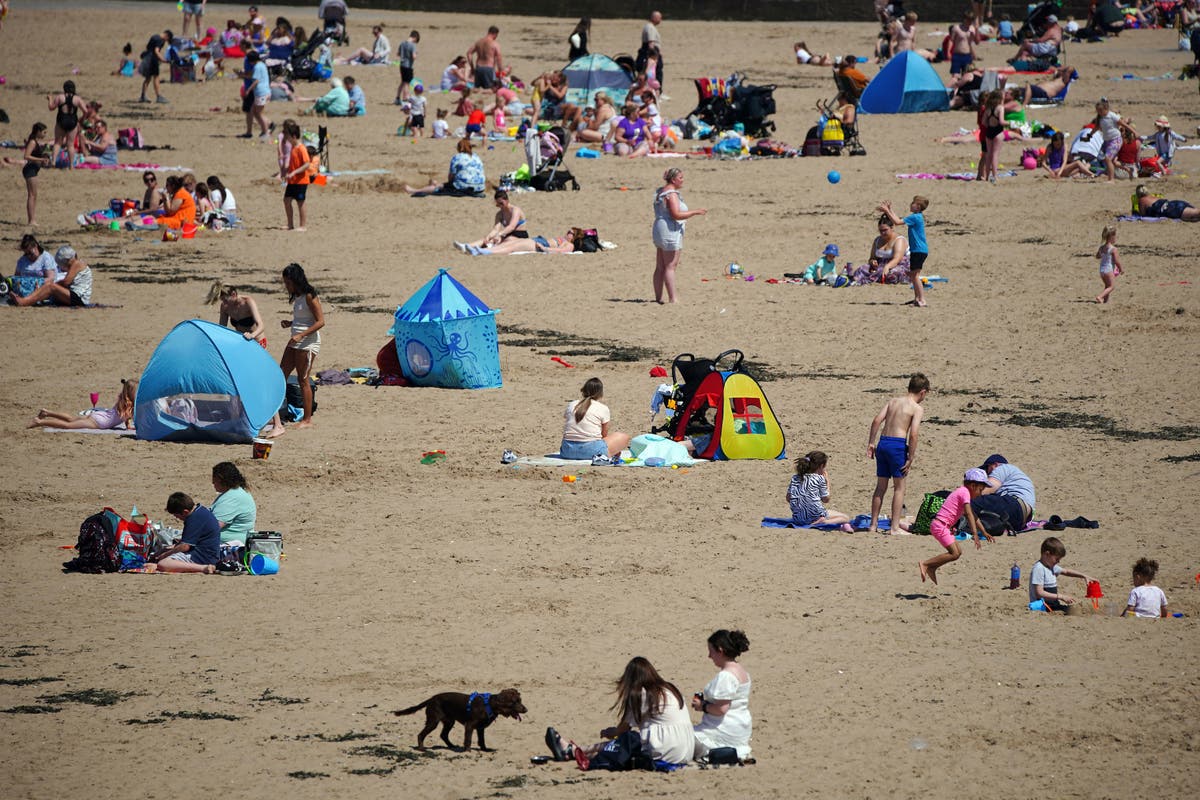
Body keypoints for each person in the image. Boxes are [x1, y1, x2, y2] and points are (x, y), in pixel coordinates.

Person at [545, 656, 694, 765]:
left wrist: (613, 732)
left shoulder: (642, 693)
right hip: (686, 748)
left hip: (667, 750)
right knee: (624, 745)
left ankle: (573, 751)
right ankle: (574, 751)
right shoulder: (669, 689)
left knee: (626, 741)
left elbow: (623, 731)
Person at [866, 373, 928, 533]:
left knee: (880, 487)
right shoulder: (916, 408)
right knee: (899, 488)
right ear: (922, 392)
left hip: (883, 442)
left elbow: (876, 420)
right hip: (897, 446)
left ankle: (873, 525)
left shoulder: (893, 401)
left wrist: (871, 443)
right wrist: (911, 457)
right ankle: (894, 527)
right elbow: (914, 434)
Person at [917, 468, 992, 583]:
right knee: (954, 553)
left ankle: (933, 567)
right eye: (980, 490)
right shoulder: (964, 492)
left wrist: (984, 531)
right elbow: (968, 514)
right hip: (940, 526)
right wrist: (975, 534)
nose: (980, 494)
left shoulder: (963, 492)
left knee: (958, 552)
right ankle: (926, 564)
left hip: (944, 527)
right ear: (973, 485)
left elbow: (973, 516)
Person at [692, 629, 753, 761]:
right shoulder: (742, 671)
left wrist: (702, 706)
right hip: (740, 728)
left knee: (682, 736)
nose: (709, 656)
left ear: (720, 650)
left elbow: (721, 709)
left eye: (711, 651)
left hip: (724, 730)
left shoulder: (726, 676)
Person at [652, 168, 707, 305]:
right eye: (680, 178)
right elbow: (676, 214)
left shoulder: (661, 191)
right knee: (670, 266)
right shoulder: (672, 194)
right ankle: (673, 298)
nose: (682, 180)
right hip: (669, 230)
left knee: (660, 266)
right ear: (673, 180)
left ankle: (658, 298)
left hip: (659, 228)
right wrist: (695, 212)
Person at [279, 263, 324, 428]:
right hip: (295, 339)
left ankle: (307, 419)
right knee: (280, 373)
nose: (286, 286)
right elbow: (303, 319)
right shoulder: (297, 296)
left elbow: (320, 322)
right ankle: (275, 414)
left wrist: (301, 335)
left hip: (308, 342)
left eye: (288, 283)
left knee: (302, 379)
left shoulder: (309, 295)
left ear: (296, 280)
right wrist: (290, 323)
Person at [558, 377, 630, 461]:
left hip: (567, 451)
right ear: (600, 393)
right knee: (624, 437)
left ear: (583, 390)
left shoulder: (572, 405)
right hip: (591, 452)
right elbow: (604, 435)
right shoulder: (602, 408)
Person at [26, 379, 137, 431]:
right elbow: (128, 414)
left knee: (72, 419)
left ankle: (47, 412)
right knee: (68, 426)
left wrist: (128, 426)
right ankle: (39, 422)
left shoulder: (124, 400)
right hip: (99, 422)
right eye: (135, 392)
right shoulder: (130, 406)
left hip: (99, 415)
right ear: (130, 392)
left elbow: (124, 416)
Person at [150, 492, 220, 574]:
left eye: (177, 515)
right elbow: (187, 541)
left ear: (185, 512)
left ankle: (203, 568)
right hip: (209, 553)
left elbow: (185, 546)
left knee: (163, 564)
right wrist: (165, 550)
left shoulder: (193, 519)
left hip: (201, 556)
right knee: (166, 551)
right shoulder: (201, 511)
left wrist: (165, 555)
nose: (177, 518)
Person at [879, 196, 927, 306]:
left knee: (915, 276)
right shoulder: (916, 217)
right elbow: (898, 219)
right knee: (913, 275)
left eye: (913, 203)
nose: (911, 204)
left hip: (919, 250)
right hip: (918, 250)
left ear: (918, 207)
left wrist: (886, 211)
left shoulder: (915, 217)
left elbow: (897, 222)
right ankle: (917, 299)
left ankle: (922, 299)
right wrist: (890, 210)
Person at [788, 451, 853, 529]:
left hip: (798, 519)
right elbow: (826, 499)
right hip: (815, 516)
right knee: (845, 518)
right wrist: (827, 482)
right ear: (821, 466)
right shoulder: (819, 478)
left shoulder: (795, 477)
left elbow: (788, 498)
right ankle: (824, 522)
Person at [972, 454, 1036, 533]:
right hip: (1020, 519)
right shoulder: (1016, 476)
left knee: (970, 503)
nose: (986, 474)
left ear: (995, 464)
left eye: (986, 469)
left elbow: (987, 489)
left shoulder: (1003, 468)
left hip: (1014, 505)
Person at [11, 246, 93, 307]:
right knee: (49, 287)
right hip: (75, 296)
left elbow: (66, 282)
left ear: (68, 260)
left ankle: (24, 302)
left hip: (79, 299)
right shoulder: (76, 264)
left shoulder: (77, 263)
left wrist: (53, 284)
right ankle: (28, 299)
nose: (64, 267)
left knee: (50, 287)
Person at [401, 138, 485, 197]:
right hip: (480, 187)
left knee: (439, 187)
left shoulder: (457, 157)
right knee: (444, 184)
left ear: (459, 148)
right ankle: (434, 183)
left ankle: (414, 191)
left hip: (463, 186)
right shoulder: (477, 157)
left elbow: (451, 176)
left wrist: (448, 184)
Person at [1029, 537, 1094, 612]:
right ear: (1047, 554)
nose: (1058, 561)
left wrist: (1084, 576)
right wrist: (1061, 597)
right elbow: (1039, 593)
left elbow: (1066, 571)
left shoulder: (1050, 566)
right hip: (1043, 607)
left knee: (1078, 610)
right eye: (1057, 559)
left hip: (1053, 605)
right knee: (1075, 611)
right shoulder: (1039, 568)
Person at [454, 190, 526, 254]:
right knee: (488, 239)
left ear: (507, 200)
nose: (500, 206)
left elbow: (511, 226)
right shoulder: (499, 214)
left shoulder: (515, 210)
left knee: (506, 240)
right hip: (507, 234)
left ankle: (483, 250)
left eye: (501, 203)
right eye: (498, 204)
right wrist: (488, 237)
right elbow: (495, 229)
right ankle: (466, 246)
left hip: (520, 235)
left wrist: (499, 234)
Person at [211, 461, 256, 551]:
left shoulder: (233, 497)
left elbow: (212, 527)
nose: (212, 482)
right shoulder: (234, 493)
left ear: (221, 479)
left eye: (214, 479)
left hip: (230, 547)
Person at [47, 81, 86, 169]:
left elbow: (51, 108)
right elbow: (85, 111)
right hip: (72, 122)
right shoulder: (77, 99)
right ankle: (71, 165)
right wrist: (82, 119)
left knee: (57, 143)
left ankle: (53, 162)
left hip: (61, 121)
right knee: (70, 145)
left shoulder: (60, 97)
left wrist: (50, 99)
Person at [18, 123, 51, 226]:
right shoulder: (32, 142)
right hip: (30, 170)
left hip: (33, 169)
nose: (45, 134)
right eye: (44, 132)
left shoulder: (35, 141)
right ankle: (31, 220)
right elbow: (26, 156)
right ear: (38, 131)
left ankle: (32, 219)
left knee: (33, 195)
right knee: (32, 195)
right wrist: (41, 159)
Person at [281, 120, 310, 230]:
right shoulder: (293, 147)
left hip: (301, 181)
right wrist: (286, 172)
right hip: (292, 181)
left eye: (288, 137)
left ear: (293, 136)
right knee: (286, 200)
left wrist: (294, 172)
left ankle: (303, 226)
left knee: (300, 202)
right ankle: (290, 224)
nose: (287, 140)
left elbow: (307, 164)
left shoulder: (301, 148)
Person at [1092, 99, 1131, 181]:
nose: (1099, 112)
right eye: (1097, 110)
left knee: (1108, 159)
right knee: (1111, 161)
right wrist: (1089, 136)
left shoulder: (1111, 115)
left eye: (1100, 110)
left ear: (1106, 109)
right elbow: (1096, 128)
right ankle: (1127, 169)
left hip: (1115, 140)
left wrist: (1134, 131)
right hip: (1106, 141)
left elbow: (1123, 124)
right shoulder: (1100, 118)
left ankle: (1111, 180)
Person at [239, 50, 272, 139]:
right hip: (265, 91)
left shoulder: (257, 67)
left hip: (261, 92)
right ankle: (264, 130)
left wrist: (248, 90)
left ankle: (266, 132)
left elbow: (256, 80)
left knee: (259, 113)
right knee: (254, 111)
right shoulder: (262, 65)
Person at [1134, 184, 1200, 221]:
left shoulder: (1141, 200)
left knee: (1196, 214)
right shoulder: (1153, 197)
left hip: (1172, 210)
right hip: (1174, 204)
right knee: (1196, 216)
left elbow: (1142, 215)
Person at [1094, 224, 1123, 304]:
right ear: (1112, 237)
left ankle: (1105, 301)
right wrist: (1121, 269)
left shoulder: (1102, 248)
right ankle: (1100, 297)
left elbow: (1097, 256)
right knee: (1112, 286)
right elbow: (1117, 261)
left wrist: (1103, 254)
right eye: (1115, 236)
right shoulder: (1113, 249)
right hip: (1108, 270)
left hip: (1102, 270)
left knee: (1107, 285)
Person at [138, 31, 170, 104]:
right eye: (167, 40)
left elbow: (148, 47)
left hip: (147, 58)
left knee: (148, 78)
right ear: (167, 36)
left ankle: (143, 96)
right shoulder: (160, 40)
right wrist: (163, 60)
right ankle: (158, 96)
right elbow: (156, 51)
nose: (165, 41)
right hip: (153, 60)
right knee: (156, 77)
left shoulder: (154, 36)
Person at [468, 25, 503, 89]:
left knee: (477, 89)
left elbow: (469, 53)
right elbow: (499, 57)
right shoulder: (494, 43)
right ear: (495, 34)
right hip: (488, 68)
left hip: (478, 68)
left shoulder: (479, 42)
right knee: (489, 89)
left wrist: (472, 67)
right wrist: (500, 71)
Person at [637, 11, 664, 89]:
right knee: (657, 71)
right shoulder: (650, 27)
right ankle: (658, 90)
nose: (660, 20)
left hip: (652, 52)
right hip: (651, 52)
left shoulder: (650, 27)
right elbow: (651, 43)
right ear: (654, 18)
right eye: (659, 18)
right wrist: (654, 56)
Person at [396, 30, 420, 102]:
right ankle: (405, 97)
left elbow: (398, 54)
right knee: (407, 83)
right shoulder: (412, 45)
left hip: (402, 65)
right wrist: (416, 54)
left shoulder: (402, 43)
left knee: (403, 82)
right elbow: (413, 57)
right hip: (408, 66)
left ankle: (397, 98)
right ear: (415, 38)